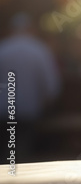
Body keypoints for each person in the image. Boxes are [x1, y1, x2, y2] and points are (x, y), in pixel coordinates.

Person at [0, 13, 61, 161]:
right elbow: (51, 85)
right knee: (23, 151)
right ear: (30, 29)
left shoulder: (3, 49)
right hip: (29, 109)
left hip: (3, 109)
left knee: (5, 151)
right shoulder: (39, 50)